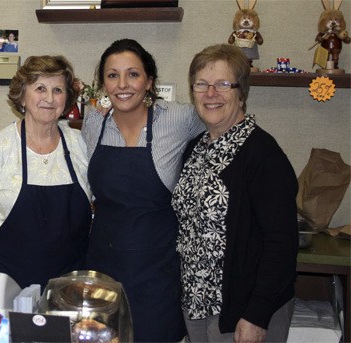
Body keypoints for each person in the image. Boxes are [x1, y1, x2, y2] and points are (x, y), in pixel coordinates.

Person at [172, 44, 298, 343]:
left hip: (242, 309)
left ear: (241, 92)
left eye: (222, 84)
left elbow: (281, 243)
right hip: (197, 303)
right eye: (201, 84)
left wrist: (256, 314)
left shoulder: (263, 154)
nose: (210, 93)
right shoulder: (195, 149)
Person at [81, 38, 205, 342]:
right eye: (112, 75)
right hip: (102, 268)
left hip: (157, 273)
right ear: (103, 84)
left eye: (133, 74)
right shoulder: (94, 121)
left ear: (149, 82)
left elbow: (220, 117)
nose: (123, 84)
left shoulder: (177, 119)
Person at [0, 55, 92, 289]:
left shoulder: (79, 145)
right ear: (22, 96)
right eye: (40, 88)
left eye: (58, 90)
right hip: (8, 287)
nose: (49, 98)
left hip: (69, 289)